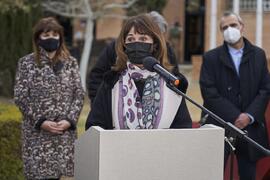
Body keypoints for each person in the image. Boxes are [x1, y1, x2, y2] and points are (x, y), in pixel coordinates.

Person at [85, 14, 192, 130]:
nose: (136, 44)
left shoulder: (170, 84)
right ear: (124, 45)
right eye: (130, 39)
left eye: (143, 39)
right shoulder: (111, 83)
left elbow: (183, 128)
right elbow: (94, 126)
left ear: (154, 44)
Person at [199, 12, 269, 180]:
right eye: (224, 27)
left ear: (242, 26)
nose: (229, 30)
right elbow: (209, 91)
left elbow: (265, 89)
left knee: (248, 174)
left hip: (250, 128)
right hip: (220, 124)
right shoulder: (211, 58)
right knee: (213, 172)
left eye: (233, 25)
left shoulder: (258, 55)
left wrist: (249, 116)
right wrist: (235, 116)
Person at [14, 17, 85, 180]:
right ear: (38, 38)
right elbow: (21, 96)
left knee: (59, 175)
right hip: (37, 136)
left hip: (63, 134)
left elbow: (79, 94)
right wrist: (41, 121)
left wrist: (70, 120)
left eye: (55, 34)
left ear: (60, 37)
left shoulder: (70, 62)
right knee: (39, 175)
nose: (51, 38)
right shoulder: (26, 63)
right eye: (46, 35)